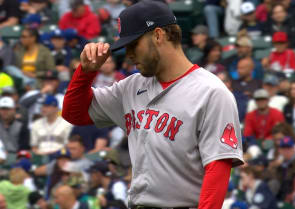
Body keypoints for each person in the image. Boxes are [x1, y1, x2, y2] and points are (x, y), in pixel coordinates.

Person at [62, 1, 244, 208]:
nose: (128, 55)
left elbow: (217, 168)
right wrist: (85, 72)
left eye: (133, 45)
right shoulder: (130, 87)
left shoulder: (211, 92)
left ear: (158, 35)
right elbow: (74, 114)